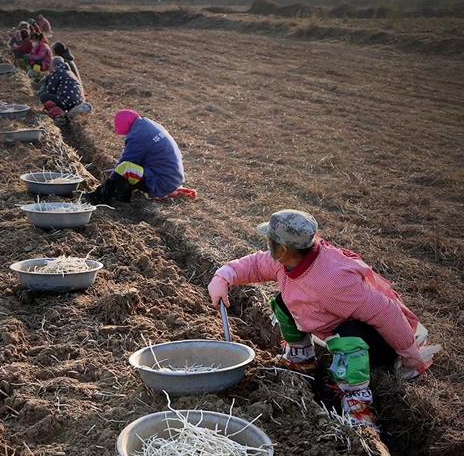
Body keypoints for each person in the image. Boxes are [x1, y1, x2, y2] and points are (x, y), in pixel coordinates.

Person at [207, 209, 439, 430]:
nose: (267, 245)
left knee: (349, 332)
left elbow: (386, 313)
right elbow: (257, 265)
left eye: (270, 241)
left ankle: (358, 402)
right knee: (282, 301)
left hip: (371, 343)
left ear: (282, 249)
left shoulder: (333, 281)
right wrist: (225, 275)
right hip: (331, 326)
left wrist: (410, 356)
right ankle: (302, 358)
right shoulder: (287, 261)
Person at [83, 110, 195, 205]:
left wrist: (110, 181)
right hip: (172, 177)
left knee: (124, 168)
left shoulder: (138, 136)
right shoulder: (147, 126)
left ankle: (100, 197)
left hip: (162, 182)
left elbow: (126, 162)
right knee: (124, 170)